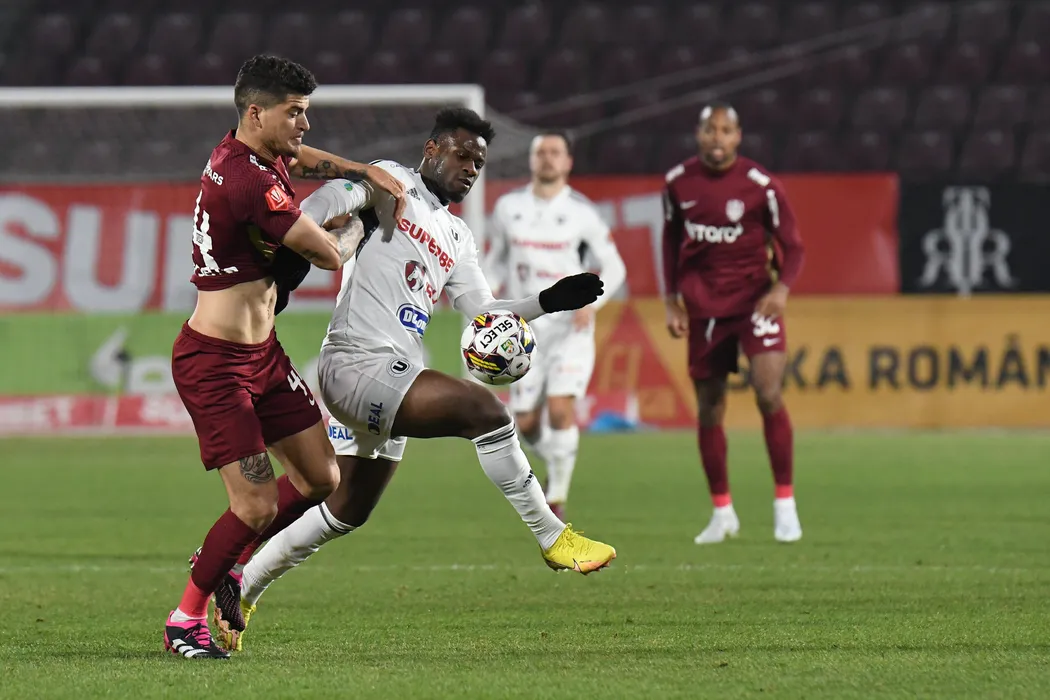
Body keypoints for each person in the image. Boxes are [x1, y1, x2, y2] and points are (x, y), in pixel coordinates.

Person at [214, 108, 617, 652]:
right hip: (356, 362)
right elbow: (333, 197)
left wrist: (547, 301)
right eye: (461, 155)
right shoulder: (391, 182)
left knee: (346, 509)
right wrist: (298, 229)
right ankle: (552, 535)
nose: (470, 168)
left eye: (478, 162)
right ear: (432, 150)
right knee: (487, 413)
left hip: (391, 372)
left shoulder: (458, 235)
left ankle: (242, 587)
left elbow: (483, 314)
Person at [164, 54, 407, 660]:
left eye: (306, 111)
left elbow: (301, 160)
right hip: (215, 365)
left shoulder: (252, 154)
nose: (304, 123)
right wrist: (364, 221)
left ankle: (226, 556)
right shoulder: (248, 181)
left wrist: (362, 172)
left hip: (263, 355)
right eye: (294, 113)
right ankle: (184, 619)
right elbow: (327, 254)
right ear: (256, 112)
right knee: (255, 504)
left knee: (323, 477)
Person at [662, 102, 805, 545]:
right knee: (710, 407)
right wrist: (671, 299)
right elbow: (670, 240)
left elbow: (795, 247)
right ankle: (722, 512)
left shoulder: (762, 186)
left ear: (738, 136)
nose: (718, 138)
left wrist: (781, 290)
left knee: (768, 391)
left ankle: (785, 506)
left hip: (754, 303)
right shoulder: (677, 183)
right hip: (704, 308)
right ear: (699, 134)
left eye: (726, 130)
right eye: (711, 130)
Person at [484, 131, 626, 520]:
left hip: (569, 329)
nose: (547, 158)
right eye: (541, 152)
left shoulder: (583, 212)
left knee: (562, 408)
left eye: (555, 152)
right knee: (526, 422)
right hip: (524, 328)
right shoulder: (508, 208)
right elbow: (496, 262)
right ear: (532, 160)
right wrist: (485, 296)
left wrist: (593, 304)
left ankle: (557, 498)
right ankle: (558, 460)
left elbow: (615, 266)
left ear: (567, 162)